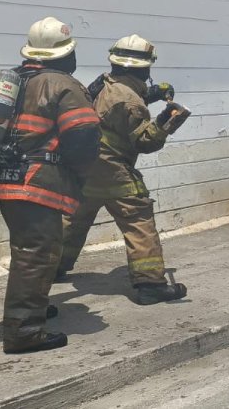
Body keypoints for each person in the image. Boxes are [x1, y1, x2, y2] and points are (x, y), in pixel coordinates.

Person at [0, 17, 100, 353]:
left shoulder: (15, 79)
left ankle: (31, 305)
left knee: (28, 249)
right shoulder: (63, 84)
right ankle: (24, 332)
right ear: (66, 54)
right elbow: (84, 135)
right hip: (36, 182)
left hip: (3, 178)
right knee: (38, 253)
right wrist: (80, 174)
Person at [58, 35, 190, 304]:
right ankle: (150, 284)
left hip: (86, 168)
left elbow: (114, 112)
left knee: (74, 220)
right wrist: (167, 121)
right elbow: (145, 142)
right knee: (138, 218)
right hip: (112, 169)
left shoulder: (103, 85)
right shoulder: (130, 100)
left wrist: (149, 95)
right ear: (144, 67)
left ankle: (51, 268)